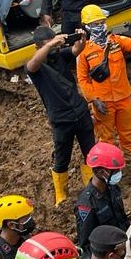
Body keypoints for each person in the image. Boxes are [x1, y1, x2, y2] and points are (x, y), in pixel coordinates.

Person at [26, 26, 95, 206]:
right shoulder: (37, 68)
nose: (54, 48)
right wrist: (50, 45)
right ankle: (61, 195)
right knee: (62, 157)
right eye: (48, 45)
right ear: (39, 47)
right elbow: (32, 65)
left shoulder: (60, 56)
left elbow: (76, 50)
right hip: (61, 119)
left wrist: (81, 39)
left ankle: (91, 187)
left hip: (80, 112)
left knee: (89, 151)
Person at [76, 4, 131, 154]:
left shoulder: (116, 41)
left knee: (127, 134)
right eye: (95, 24)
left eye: (101, 23)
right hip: (103, 101)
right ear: (87, 27)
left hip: (123, 97)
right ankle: (110, 166)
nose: (100, 26)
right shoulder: (84, 51)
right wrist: (94, 99)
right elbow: (82, 79)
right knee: (106, 138)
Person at [76, 142, 129, 256]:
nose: (119, 174)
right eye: (115, 171)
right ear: (101, 172)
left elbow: (122, 219)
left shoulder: (113, 188)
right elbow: (86, 244)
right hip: (108, 256)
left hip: (123, 246)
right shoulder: (87, 204)